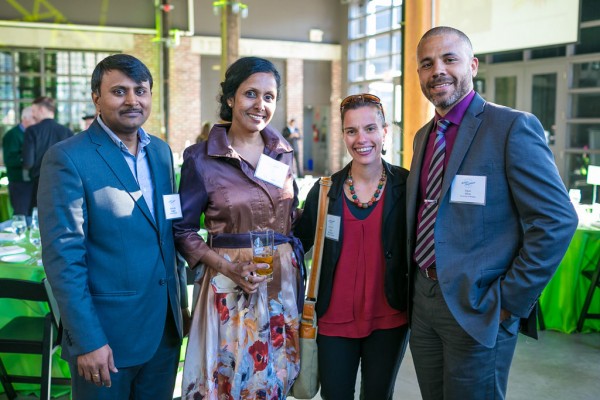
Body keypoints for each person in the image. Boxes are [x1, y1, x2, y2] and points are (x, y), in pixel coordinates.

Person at [406, 26, 579, 399]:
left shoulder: (512, 127)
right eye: (426, 63)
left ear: (473, 64)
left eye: (449, 59)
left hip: (480, 305)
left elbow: (557, 220)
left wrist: (509, 301)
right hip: (423, 301)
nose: (438, 69)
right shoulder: (423, 137)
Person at [38, 54, 189, 399]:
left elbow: (167, 235)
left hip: (164, 334)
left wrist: (180, 307)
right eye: (119, 91)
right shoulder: (68, 158)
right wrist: (88, 340)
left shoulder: (162, 153)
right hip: (106, 341)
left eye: (141, 90)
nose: (133, 100)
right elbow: (64, 259)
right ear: (96, 98)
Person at [173, 57, 302, 399]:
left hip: (279, 284)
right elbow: (183, 231)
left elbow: (291, 215)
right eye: (251, 94)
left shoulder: (283, 152)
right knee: (226, 380)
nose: (261, 105)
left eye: (270, 97)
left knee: (274, 379)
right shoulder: (201, 158)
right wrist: (228, 267)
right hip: (226, 285)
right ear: (231, 98)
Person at [295, 94, 409, 400]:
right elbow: (297, 244)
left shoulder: (407, 187)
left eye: (370, 128)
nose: (362, 139)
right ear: (343, 135)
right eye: (351, 131)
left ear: (385, 131)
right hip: (333, 320)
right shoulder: (325, 191)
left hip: (389, 318)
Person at [22, 96, 73, 214]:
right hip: (64, 183)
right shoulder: (66, 131)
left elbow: (28, 163)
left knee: (38, 220)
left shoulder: (32, 131)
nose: (33, 115)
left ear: (42, 110)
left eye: (34, 111)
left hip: (40, 183)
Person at [2, 106, 36, 216]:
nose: (37, 121)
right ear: (25, 119)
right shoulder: (12, 135)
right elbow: (10, 160)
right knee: (21, 214)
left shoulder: (32, 133)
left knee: (32, 214)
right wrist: (28, 159)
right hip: (19, 183)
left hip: (31, 181)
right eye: (34, 118)